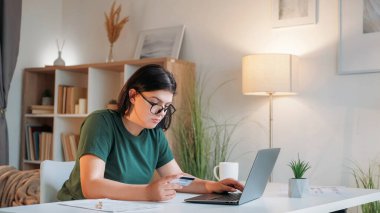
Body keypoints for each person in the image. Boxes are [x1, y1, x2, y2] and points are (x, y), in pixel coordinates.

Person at [57, 64, 244, 201]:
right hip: (81, 207)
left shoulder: (154, 134)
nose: (161, 113)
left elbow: (177, 179)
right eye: (155, 103)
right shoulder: (101, 122)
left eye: (166, 106)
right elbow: (91, 186)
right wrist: (147, 192)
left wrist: (211, 185)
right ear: (132, 95)